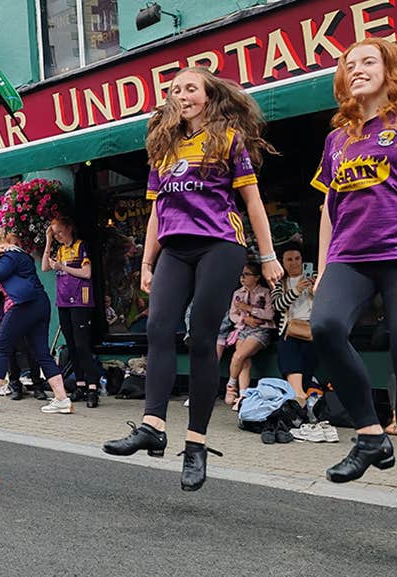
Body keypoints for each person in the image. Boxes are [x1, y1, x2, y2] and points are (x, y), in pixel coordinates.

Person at [102, 66, 282, 492]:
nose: (182, 95)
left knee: (202, 338)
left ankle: (196, 444)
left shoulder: (228, 139)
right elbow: (155, 212)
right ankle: (152, 426)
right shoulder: (163, 147)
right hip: (175, 250)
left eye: (190, 88)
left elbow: (253, 202)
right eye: (175, 90)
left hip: (220, 244)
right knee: (158, 329)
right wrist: (147, 263)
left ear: (209, 96)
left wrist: (268, 256)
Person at [309, 38, 397, 543]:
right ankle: (369, 436)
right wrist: (324, 265)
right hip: (350, 255)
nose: (357, 69)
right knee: (324, 326)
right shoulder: (337, 138)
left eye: (368, 61)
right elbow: (327, 207)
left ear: (391, 70)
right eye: (349, 64)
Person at [0, 225, 72, 414]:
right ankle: (62, 399)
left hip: (24, 305)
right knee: (41, 352)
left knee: (1, 347)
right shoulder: (19, 253)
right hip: (40, 303)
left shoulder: (8, 255)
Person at [42, 214, 101, 407]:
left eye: (59, 232)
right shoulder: (59, 250)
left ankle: (93, 387)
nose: (58, 236)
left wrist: (62, 267)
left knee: (82, 344)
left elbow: (87, 273)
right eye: (55, 233)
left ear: (69, 228)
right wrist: (48, 240)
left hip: (80, 301)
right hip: (63, 302)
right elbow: (44, 267)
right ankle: (80, 384)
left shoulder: (80, 246)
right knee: (72, 345)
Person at [224, 261, 276, 409]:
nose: (242, 278)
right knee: (244, 360)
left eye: (247, 274)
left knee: (238, 356)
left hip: (261, 330)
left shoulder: (265, 292)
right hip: (242, 329)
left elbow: (269, 314)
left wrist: (249, 309)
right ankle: (243, 395)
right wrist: (245, 319)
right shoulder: (238, 293)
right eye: (241, 275)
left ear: (257, 277)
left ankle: (230, 386)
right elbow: (232, 314)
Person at [271, 244, 317, 404]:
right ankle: (298, 394)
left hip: (311, 327)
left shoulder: (314, 278)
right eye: (289, 259)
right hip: (290, 328)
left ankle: (300, 395)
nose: (294, 263)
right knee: (288, 349)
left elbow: (328, 301)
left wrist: (315, 289)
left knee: (308, 357)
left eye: (297, 258)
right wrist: (296, 290)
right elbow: (277, 305)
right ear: (283, 262)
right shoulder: (279, 283)